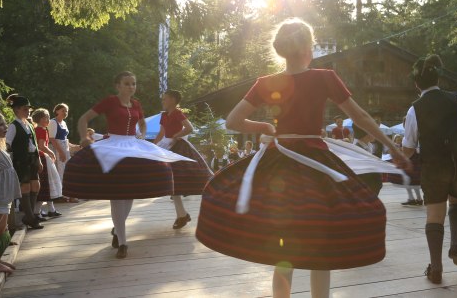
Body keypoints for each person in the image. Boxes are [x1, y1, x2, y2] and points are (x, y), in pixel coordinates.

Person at [196, 19, 410, 298]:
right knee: (322, 239)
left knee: (283, 246)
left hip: (278, 167)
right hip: (316, 166)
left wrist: (264, 128)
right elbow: (360, 117)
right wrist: (390, 147)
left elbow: (233, 121)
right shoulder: (325, 77)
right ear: (308, 47)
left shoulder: (265, 82)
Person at [62, 71, 194, 259]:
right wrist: (84, 138)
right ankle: (123, 243)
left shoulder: (137, 104)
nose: (131, 87)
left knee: (130, 190)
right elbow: (84, 119)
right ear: (118, 86)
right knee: (117, 194)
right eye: (127, 83)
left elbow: (141, 123)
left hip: (132, 146)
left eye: (133, 83)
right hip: (113, 145)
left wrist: (141, 135)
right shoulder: (110, 101)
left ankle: (118, 230)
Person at [402, 54, 457, 284]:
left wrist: (399, 156)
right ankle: (456, 246)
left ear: (416, 84)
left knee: (435, 216)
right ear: (439, 79)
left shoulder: (414, 109)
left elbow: (408, 148)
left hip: (434, 167)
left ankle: (436, 269)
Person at [154, 90, 213, 230]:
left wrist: (176, 136)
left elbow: (189, 128)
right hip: (166, 147)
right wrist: (153, 146)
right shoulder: (163, 115)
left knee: (176, 181)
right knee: (172, 182)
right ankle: (182, 215)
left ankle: (185, 214)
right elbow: (161, 133)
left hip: (179, 147)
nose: (163, 101)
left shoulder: (177, 113)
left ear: (173, 100)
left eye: (165, 99)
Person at [5, 94, 44, 230]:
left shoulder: (29, 125)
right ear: (17, 110)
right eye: (25, 109)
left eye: (28, 109)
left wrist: (38, 160)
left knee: (36, 186)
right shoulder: (13, 126)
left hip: (32, 159)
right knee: (25, 187)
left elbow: (35, 145)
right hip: (21, 161)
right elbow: (7, 144)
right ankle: (31, 217)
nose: (28, 111)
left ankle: (29, 216)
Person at [0, 112, 22, 274]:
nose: (6, 127)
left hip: (5, 195)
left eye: (5, 123)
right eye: (1, 124)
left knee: (1, 229)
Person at [32, 108, 63, 218]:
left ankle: (50, 209)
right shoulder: (42, 130)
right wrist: (51, 153)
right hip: (43, 157)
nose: (48, 119)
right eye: (46, 117)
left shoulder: (35, 129)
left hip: (38, 157)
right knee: (47, 185)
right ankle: (37, 212)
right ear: (40, 119)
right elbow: (41, 146)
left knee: (47, 185)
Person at [48, 103, 80, 203]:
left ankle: (68, 194)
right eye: (63, 110)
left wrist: (75, 146)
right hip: (57, 150)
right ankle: (61, 195)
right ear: (57, 111)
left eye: (66, 111)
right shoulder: (53, 122)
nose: (65, 113)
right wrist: (61, 152)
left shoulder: (64, 123)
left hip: (64, 149)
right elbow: (52, 139)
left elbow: (65, 140)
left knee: (67, 172)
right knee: (60, 172)